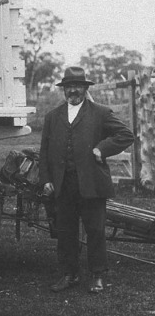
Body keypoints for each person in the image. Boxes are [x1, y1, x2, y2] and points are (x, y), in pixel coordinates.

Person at [39, 66, 134, 294]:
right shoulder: (53, 117)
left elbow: (126, 135)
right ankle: (69, 274)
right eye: (69, 87)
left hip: (91, 182)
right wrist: (46, 179)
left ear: (84, 88)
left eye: (77, 86)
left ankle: (97, 275)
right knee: (66, 232)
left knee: (95, 230)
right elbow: (44, 152)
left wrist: (102, 148)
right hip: (63, 184)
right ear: (64, 89)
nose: (73, 91)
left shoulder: (100, 112)